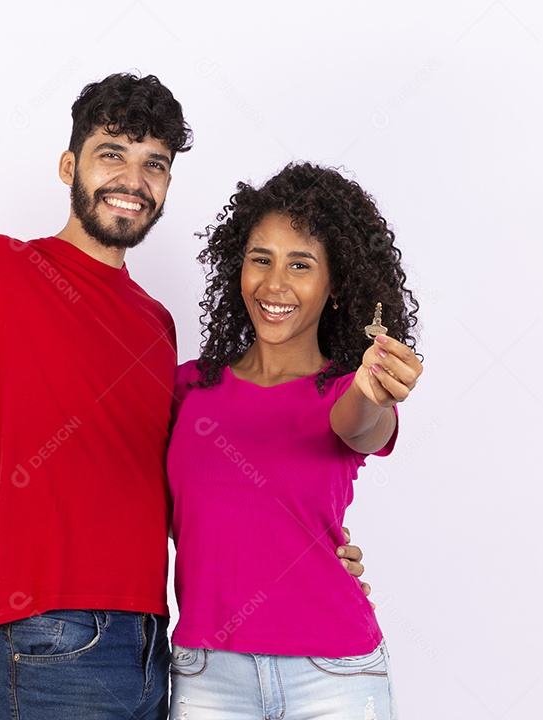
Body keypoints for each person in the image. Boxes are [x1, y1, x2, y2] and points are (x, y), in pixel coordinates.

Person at [0, 72, 368, 720]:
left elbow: (165, 476)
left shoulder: (156, 326)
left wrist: (311, 554)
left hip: (155, 647)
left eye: (154, 163)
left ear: (167, 186)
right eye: (111, 154)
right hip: (47, 638)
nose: (133, 177)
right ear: (69, 165)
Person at [168, 162, 421, 718]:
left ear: (335, 289)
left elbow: (359, 423)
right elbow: (141, 502)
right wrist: (26, 508)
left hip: (333, 676)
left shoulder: (343, 393)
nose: (274, 284)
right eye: (261, 259)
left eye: (300, 265)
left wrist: (375, 388)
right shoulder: (188, 388)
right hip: (207, 675)